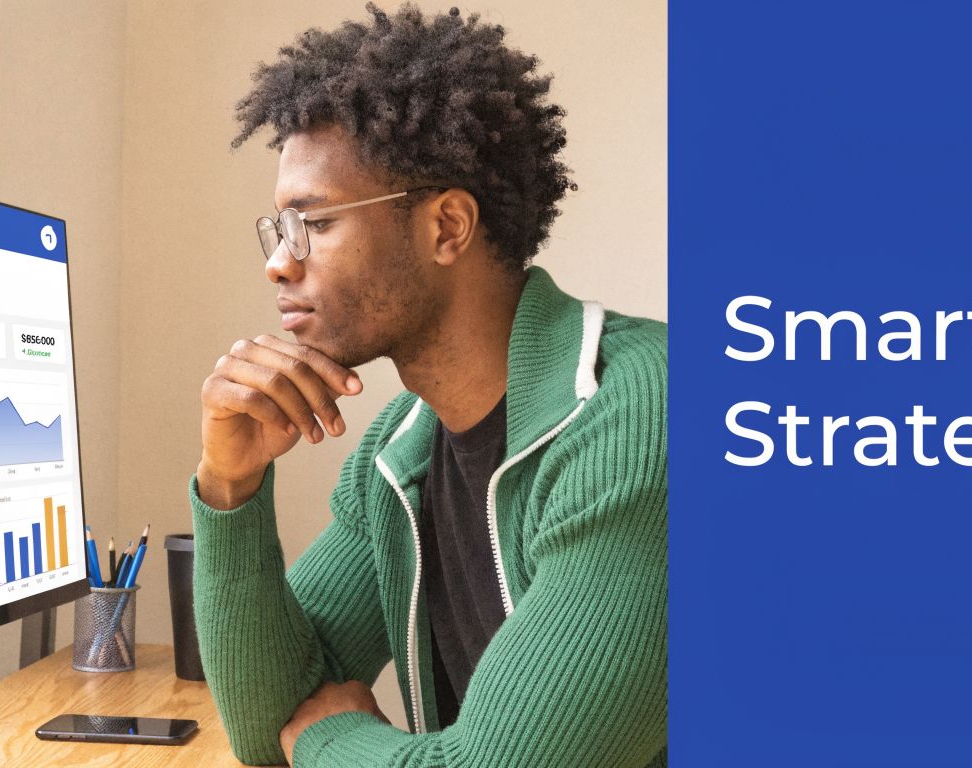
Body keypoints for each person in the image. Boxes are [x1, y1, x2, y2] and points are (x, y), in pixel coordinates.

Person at [189, 4, 666, 765]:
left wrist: (328, 739)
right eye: (279, 229)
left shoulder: (643, 418)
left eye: (316, 223)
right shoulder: (400, 450)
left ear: (447, 228)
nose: (279, 263)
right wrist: (229, 486)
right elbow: (264, 725)